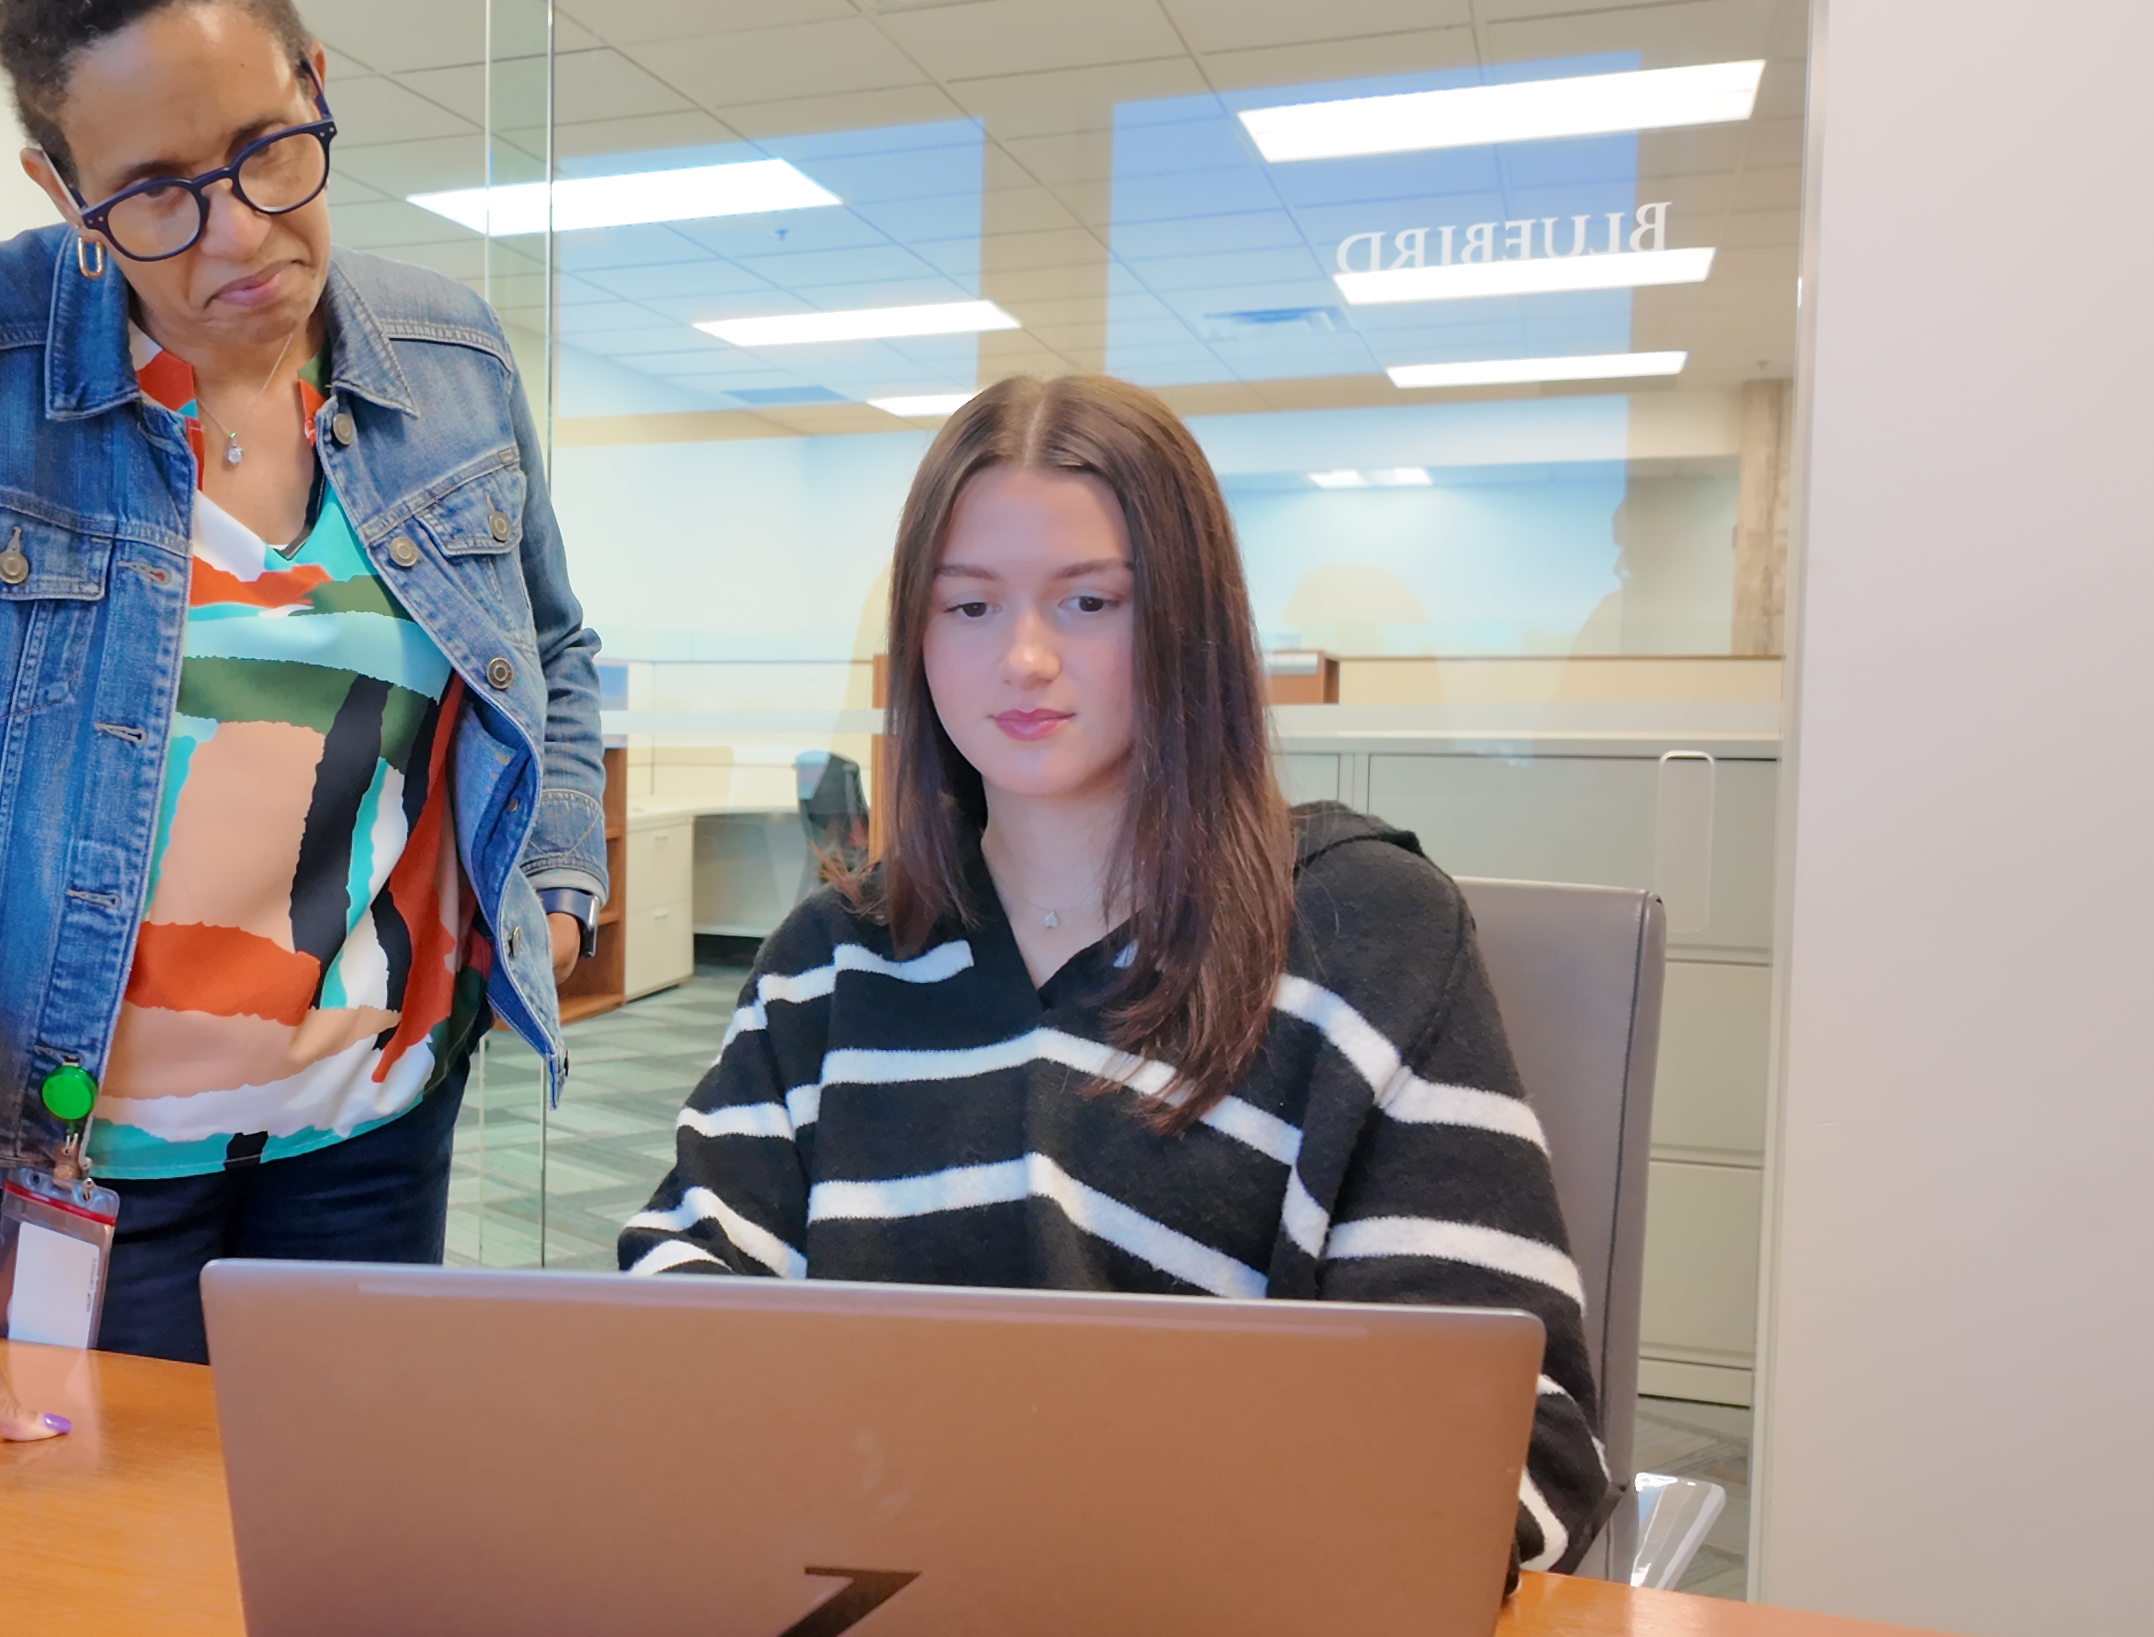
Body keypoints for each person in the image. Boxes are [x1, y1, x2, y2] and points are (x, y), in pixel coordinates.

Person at [0, 0, 605, 1367]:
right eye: (153, 194)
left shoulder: (450, 362)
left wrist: (550, 894)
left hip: (377, 1127)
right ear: (60, 189)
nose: (237, 235)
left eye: (271, 148)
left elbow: (552, 656)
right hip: (66, 1165)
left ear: (317, 80)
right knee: (90, 1579)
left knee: (327, 1563)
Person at [614, 376, 1612, 1574]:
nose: (1023, 660)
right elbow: (677, 1312)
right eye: (969, 606)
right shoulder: (829, 962)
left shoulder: (1365, 935)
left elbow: (1511, 1435)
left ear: (1189, 623)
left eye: (1089, 602)